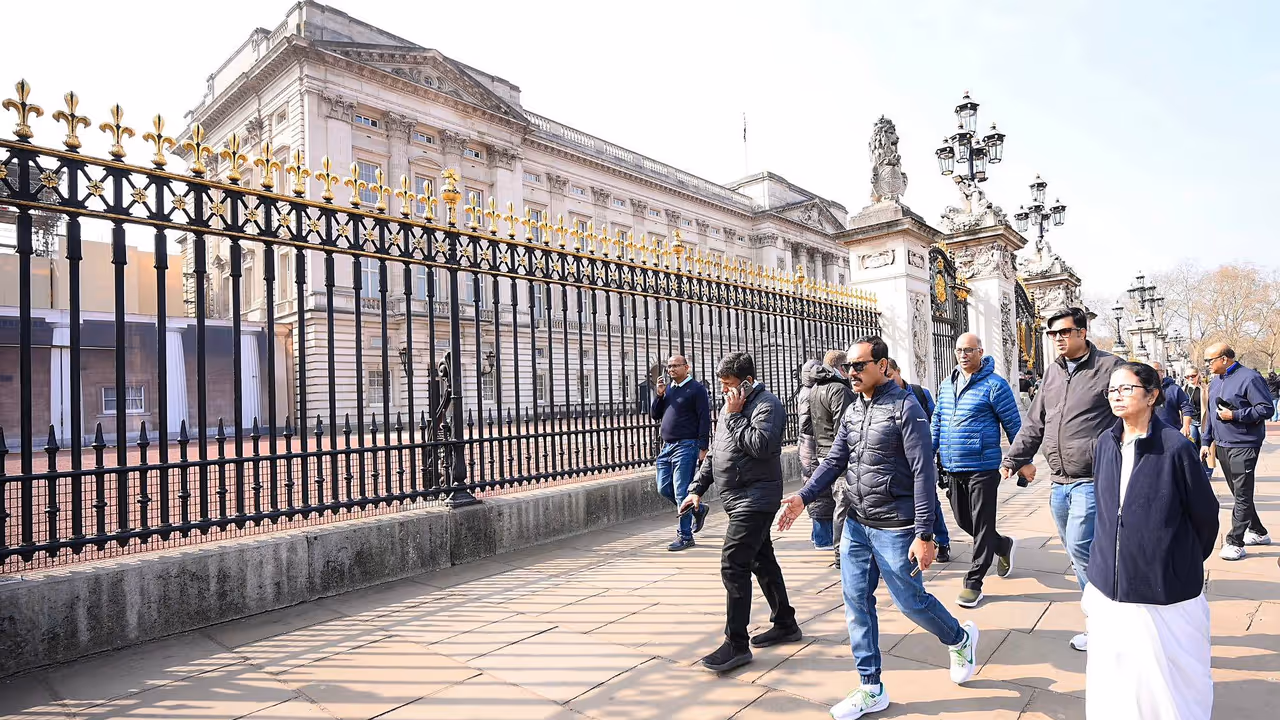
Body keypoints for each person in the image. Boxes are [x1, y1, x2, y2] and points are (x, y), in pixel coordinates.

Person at [779, 336, 978, 719]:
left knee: (910, 602)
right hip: (856, 523)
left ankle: (960, 638)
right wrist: (804, 496)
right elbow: (835, 460)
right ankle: (871, 687)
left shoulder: (907, 409)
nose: (850, 373)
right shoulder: (853, 410)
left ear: (883, 366)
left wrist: (925, 533)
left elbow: (923, 472)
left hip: (896, 528)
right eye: (848, 367)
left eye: (859, 366)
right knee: (856, 603)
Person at [1086, 362, 1218, 719]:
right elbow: (1105, 509)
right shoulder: (1104, 444)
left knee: (1169, 687)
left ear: (1152, 395)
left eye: (1126, 388)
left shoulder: (1175, 448)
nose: (1116, 396)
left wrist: (1175, 559)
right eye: (1112, 389)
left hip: (1162, 588)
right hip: (1110, 584)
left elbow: (1205, 517)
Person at [1003, 307, 1124, 652]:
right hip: (1058, 481)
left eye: (1065, 332)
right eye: (1052, 334)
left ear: (1082, 332)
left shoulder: (1109, 368)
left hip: (1091, 476)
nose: (1057, 339)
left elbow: (1135, 410)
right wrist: (1014, 457)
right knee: (1077, 551)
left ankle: (1103, 622)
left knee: (1081, 548)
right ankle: (1110, 609)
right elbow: (1035, 422)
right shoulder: (1052, 373)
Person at [680, 352, 798, 672]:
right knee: (761, 559)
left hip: (756, 498)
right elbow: (716, 453)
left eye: (728, 384)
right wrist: (695, 489)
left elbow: (761, 446)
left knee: (733, 564)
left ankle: (736, 644)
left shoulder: (767, 405)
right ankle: (786, 622)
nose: (723, 390)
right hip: (736, 498)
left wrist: (733, 416)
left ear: (746, 382)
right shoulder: (730, 406)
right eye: (720, 384)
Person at [933, 333, 1023, 608]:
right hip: (952, 465)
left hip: (982, 466)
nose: (963, 354)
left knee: (982, 524)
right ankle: (1002, 545)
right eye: (959, 350)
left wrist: (1020, 461)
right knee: (963, 521)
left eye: (969, 350)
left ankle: (974, 582)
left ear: (980, 352)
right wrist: (927, 452)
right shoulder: (947, 384)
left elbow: (1015, 425)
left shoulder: (995, 385)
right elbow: (937, 420)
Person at [1201, 343, 1273, 559]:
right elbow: (1212, 415)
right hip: (1222, 444)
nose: (1207, 365)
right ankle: (1259, 531)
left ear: (1224, 359)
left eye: (1210, 361)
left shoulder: (1250, 378)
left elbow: (1266, 408)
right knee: (1238, 493)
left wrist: (1236, 416)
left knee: (1242, 494)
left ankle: (1235, 541)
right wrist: (1206, 441)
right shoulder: (1215, 382)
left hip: (1245, 444)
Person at [885, 357, 953, 563]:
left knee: (930, 500)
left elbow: (936, 421)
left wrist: (935, 451)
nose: (888, 380)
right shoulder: (883, 396)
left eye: (890, 375)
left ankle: (942, 541)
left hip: (922, 455)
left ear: (898, 371)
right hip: (895, 460)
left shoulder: (920, 393)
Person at [650, 354, 712, 551]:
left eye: (676, 365)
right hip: (667, 446)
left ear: (687, 367)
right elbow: (655, 415)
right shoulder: (668, 389)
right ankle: (698, 508)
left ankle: (685, 536)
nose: (671, 369)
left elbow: (704, 418)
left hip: (687, 445)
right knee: (663, 487)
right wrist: (659, 396)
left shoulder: (697, 389)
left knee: (681, 490)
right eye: (669, 366)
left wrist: (703, 446)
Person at [808, 351, 855, 553]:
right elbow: (844, 428)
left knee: (839, 501)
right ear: (841, 367)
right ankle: (840, 551)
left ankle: (841, 548)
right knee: (843, 503)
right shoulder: (838, 390)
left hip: (823, 449)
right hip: (836, 453)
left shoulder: (816, 388)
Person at [796, 359, 835, 550]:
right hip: (812, 446)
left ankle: (818, 535)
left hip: (808, 446)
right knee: (820, 492)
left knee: (818, 489)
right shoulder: (810, 393)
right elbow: (806, 424)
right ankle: (822, 538)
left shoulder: (806, 390)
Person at [1150, 361, 1193, 440]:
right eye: (1149, 371)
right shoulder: (1143, 390)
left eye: (1156, 371)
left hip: (1173, 432)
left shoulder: (1174, 389)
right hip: (1150, 434)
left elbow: (1186, 408)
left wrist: (1186, 426)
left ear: (1162, 372)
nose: (1152, 374)